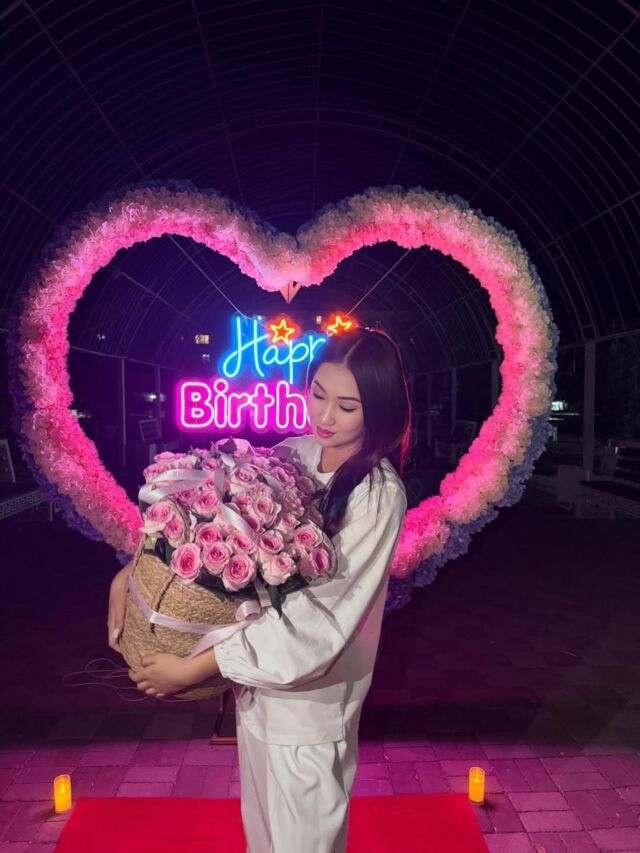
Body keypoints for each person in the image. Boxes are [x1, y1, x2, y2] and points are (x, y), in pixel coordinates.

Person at [108, 326, 410, 852]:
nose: (325, 416)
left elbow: (319, 622)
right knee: (263, 840)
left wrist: (194, 669)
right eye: (317, 393)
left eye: (347, 406)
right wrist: (132, 571)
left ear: (379, 409)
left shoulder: (377, 494)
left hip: (310, 709)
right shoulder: (294, 453)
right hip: (256, 695)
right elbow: (217, 528)